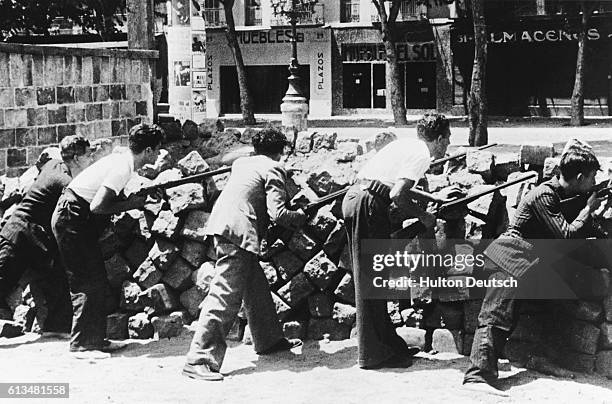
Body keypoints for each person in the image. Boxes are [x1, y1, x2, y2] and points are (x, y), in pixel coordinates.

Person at [462, 147, 604, 396]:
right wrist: (588, 209)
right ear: (580, 178)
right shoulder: (544, 195)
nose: (594, 182)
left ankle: (539, 359)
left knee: (538, 309)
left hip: (526, 263)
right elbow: (566, 235)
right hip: (509, 259)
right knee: (496, 317)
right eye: (592, 177)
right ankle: (477, 376)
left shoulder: (563, 194)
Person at [183, 127, 307, 381]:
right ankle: (199, 358)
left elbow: (227, 158)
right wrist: (301, 216)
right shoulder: (273, 167)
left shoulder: (244, 162)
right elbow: (279, 214)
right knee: (225, 295)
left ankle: (268, 339)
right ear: (280, 151)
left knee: (256, 288)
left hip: (225, 226)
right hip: (238, 233)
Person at [341, 113, 453, 369]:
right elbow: (396, 194)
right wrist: (424, 216)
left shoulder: (406, 144)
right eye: (447, 139)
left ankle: (387, 345)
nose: (447, 145)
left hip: (358, 197)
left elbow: (392, 182)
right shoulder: (422, 154)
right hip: (367, 203)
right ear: (437, 139)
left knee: (374, 277)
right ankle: (371, 354)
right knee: (369, 279)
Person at [51, 123, 164, 359]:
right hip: (72, 217)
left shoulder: (122, 161)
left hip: (74, 216)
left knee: (97, 279)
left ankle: (95, 340)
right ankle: (82, 346)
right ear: (149, 150)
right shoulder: (123, 166)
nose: (159, 154)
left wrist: (135, 199)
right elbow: (98, 205)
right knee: (86, 281)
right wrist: (133, 204)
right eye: (158, 149)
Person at [0, 136, 94, 336]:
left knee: (58, 278)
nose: (91, 159)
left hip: (37, 241)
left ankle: (56, 328)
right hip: (20, 235)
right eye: (88, 155)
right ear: (76, 158)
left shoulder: (53, 165)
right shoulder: (66, 181)